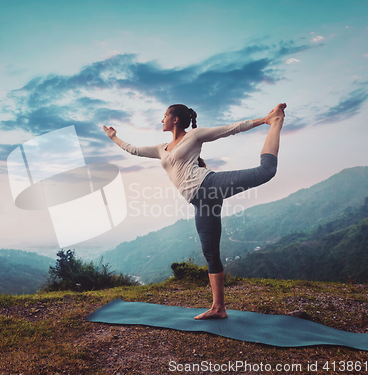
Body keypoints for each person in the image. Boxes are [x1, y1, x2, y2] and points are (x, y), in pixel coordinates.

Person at [103, 103, 286, 319]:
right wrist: (114, 137)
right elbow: (133, 149)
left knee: (265, 171)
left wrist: (264, 120)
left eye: (164, 116)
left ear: (175, 119)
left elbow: (230, 128)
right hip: (200, 201)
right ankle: (219, 308)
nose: (162, 120)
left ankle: (276, 122)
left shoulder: (195, 136)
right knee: (210, 253)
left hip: (208, 184)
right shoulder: (161, 148)